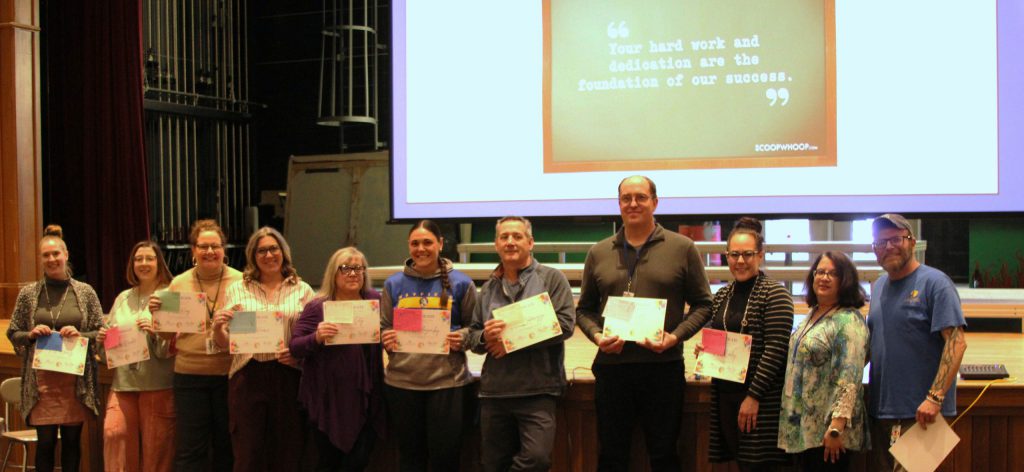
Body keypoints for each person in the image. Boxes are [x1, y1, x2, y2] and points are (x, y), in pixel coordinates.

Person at [576, 175, 714, 471]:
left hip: (663, 369)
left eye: (640, 197)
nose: (633, 203)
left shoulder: (682, 247)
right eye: (626, 198)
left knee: (664, 455)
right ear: (619, 204)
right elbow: (583, 310)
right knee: (612, 456)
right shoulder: (598, 252)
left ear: (655, 202)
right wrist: (597, 336)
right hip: (612, 370)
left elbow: (704, 305)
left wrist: (675, 337)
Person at [466, 216, 576, 472]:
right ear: (496, 244)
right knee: (492, 464)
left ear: (531, 242)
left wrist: (512, 342)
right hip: (495, 392)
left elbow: (565, 325)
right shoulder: (489, 288)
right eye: (504, 237)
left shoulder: (552, 279)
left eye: (517, 236)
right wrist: (485, 337)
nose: (510, 242)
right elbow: (473, 336)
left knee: (536, 460)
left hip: (538, 390)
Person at [689, 218, 793, 471]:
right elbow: (722, 334)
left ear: (760, 255)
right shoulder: (723, 294)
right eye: (734, 254)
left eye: (748, 254)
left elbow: (775, 351)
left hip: (761, 400)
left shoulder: (776, 294)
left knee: (761, 464)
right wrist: (708, 351)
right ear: (727, 256)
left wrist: (753, 397)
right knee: (742, 463)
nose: (740, 261)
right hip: (726, 396)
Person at [866, 214, 967, 471]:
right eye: (881, 242)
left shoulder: (936, 283)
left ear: (911, 242)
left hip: (921, 415)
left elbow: (956, 343)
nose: (889, 247)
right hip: (881, 412)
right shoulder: (878, 288)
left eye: (896, 239)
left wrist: (934, 398)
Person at [210, 227, 314, 471]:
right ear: (253, 256)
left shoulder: (304, 290)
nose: (268, 255)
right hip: (247, 375)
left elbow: (312, 339)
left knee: (288, 451)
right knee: (248, 453)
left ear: (283, 252)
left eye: (273, 249)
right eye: (262, 251)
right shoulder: (238, 289)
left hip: (288, 376)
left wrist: (299, 359)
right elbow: (225, 343)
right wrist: (217, 328)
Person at [380, 220, 478, 471]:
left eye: (427, 242)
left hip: (447, 384)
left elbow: (476, 328)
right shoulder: (393, 284)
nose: (420, 248)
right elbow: (382, 327)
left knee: (445, 460)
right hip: (402, 384)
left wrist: (462, 338)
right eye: (415, 243)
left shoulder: (462, 283)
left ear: (440, 244)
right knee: (410, 459)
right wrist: (386, 337)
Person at [6, 225, 102, 472]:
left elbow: (101, 333)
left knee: (71, 444)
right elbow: (13, 332)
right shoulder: (28, 293)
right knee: (45, 444)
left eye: (55, 254)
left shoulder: (85, 292)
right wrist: (31, 334)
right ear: (41, 259)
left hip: (74, 382)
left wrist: (81, 334)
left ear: (66, 255)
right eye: (46, 255)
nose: (51, 259)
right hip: (41, 384)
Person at [149, 219, 242, 471]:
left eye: (215, 246)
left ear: (225, 248)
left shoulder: (242, 282)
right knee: (190, 449)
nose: (210, 251)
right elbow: (168, 335)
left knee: (227, 445)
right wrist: (157, 315)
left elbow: (248, 335)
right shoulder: (178, 283)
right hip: (189, 376)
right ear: (193, 250)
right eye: (203, 246)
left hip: (229, 375)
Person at [290, 247, 387, 471]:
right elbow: (295, 347)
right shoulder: (318, 306)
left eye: (358, 268)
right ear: (334, 273)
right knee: (329, 463)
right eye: (345, 268)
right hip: (328, 399)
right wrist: (316, 337)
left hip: (367, 395)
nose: (352, 274)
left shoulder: (374, 300)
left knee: (358, 461)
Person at [778, 251, 869, 471]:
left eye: (833, 273)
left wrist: (836, 427)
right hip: (802, 430)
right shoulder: (813, 314)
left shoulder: (848, 321)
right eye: (820, 272)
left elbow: (850, 377)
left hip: (828, 435)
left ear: (845, 280)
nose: (824, 278)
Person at [96, 241, 176, 472]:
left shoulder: (170, 295)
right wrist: (104, 340)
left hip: (158, 385)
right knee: (114, 435)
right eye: (138, 259)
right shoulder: (122, 298)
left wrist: (156, 330)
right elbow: (108, 354)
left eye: (149, 258)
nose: (143, 264)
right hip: (123, 384)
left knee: (157, 450)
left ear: (159, 263)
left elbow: (170, 348)